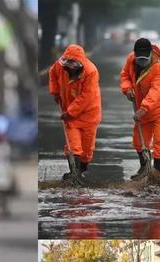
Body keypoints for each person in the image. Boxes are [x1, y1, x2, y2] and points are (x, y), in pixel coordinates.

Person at [120, 38, 160, 179]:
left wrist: (143, 109)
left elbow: (155, 92)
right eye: (140, 59)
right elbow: (125, 75)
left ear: (151, 54)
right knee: (139, 141)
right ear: (135, 54)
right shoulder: (131, 59)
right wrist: (127, 89)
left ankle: (156, 173)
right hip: (142, 107)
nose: (142, 62)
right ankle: (144, 168)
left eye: (145, 59)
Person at [49, 44, 102, 180]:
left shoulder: (91, 72)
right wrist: (55, 91)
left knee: (87, 149)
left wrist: (70, 112)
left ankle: (81, 170)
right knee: (73, 146)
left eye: (74, 63)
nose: (71, 66)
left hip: (89, 114)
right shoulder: (59, 66)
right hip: (70, 116)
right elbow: (53, 75)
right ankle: (74, 173)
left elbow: (86, 96)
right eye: (69, 62)